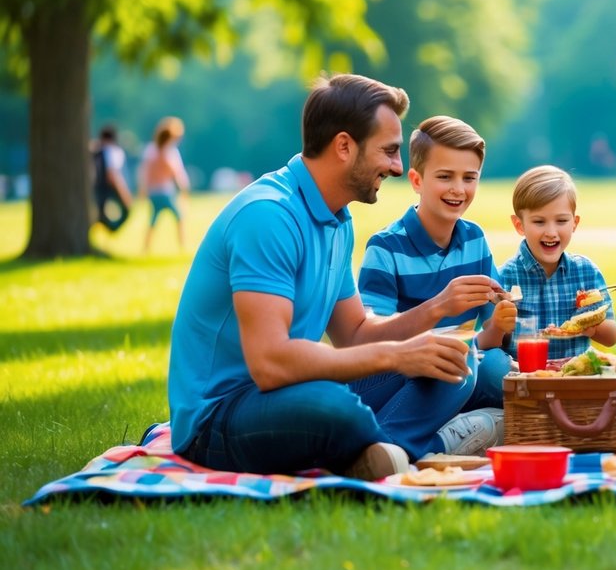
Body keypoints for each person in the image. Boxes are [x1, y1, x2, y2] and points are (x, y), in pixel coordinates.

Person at [169, 74, 489, 481]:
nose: (396, 166)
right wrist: (396, 355)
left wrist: (435, 312)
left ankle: (387, 452)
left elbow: (354, 333)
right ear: (343, 146)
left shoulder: (338, 221)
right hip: (221, 415)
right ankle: (410, 449)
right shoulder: (268, 215)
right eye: (389, 151)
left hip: (290, 392)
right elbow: (269, 363)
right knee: (331, 406)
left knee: (452, 360)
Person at [356, 115, 517, 458]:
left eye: (469, 178)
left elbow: (489, 338)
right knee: (464, 360)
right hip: (393, 372)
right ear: (417, 179)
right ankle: (385, 445)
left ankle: (440, 436)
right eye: (445, 177)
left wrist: (502, 325)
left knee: (497, 369)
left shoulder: (475, 239)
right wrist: (441, 309)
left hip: (455, 373)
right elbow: (372, 340)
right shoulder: (386, 248)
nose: (458, 189)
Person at [498, 165, 616, 360]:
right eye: (539, 222)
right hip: (525, 377)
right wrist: (500, 326)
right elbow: (493, 342)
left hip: (574, 376)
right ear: (519, 225)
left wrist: (590, 328)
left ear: (575, 223)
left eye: (561, 221)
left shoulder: (585, 272)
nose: (551, 232)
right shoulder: (504, 277)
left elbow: (611, 336)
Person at [137, 116, 191, 253]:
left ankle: (146, 247)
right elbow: (176, 173)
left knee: (153, 220)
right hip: (165, 192)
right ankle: (182, 245)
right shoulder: (169, 152)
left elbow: (144, 172)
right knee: (179, 217)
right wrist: (184, 189)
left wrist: (143, 189)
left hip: (153, 192)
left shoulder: (150, 150)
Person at [92, 124, 132, 233]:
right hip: (110, 187)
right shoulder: (114, 151)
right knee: (127, 210)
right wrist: (124, 193)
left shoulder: (95, 150)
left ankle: (105, 227)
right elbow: (112, 174)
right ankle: (111, 230)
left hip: (95, 188)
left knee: (100, 213)